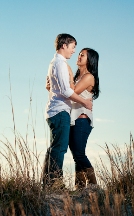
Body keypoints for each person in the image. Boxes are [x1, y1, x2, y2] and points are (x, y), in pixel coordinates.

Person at [42, 34, 93, 188]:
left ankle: (48, 182)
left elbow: (58, 87)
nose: (73, 51)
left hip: (56, 110)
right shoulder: (61, 64)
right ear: (64, 45)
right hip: (60, 111)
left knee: (54, 148)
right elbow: (66, 90)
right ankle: (55, 183)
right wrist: (84, 101)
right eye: (72, 47)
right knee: (60, 148)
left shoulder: (55, 63)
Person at [68, 48, 100, 189]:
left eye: (83, 55)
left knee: (79, 153)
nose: (79, 56)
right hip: (73, 119)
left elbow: (72, 91)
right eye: (79, 54)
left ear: (90, 60)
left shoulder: (89, 77)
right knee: (76, 154)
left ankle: (93, 186)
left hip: (82, 119)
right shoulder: (76, 78)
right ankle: (79, 187)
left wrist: (67, 73)